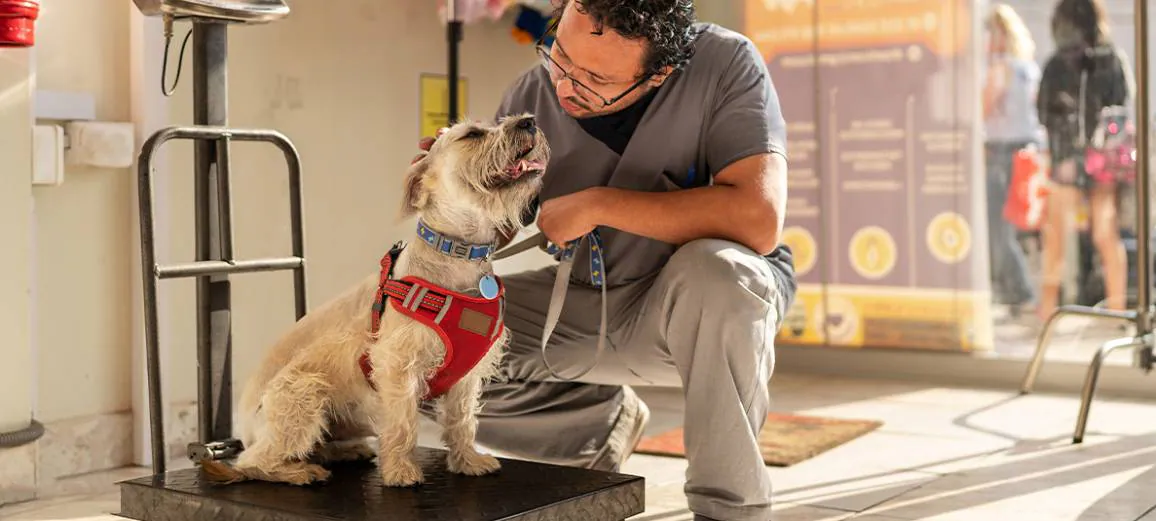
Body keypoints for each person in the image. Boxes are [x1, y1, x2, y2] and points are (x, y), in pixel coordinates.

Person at [415, 1, 795, 519]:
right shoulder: (534, 91)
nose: (566, 87)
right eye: (561, 56)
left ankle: (727, 510)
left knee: (721, 275)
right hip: (585, 301)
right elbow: (498, 227)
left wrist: (598, 204)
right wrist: (456, 189)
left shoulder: (725, 64)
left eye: (594, 79)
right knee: (419, 351)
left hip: (695, 308)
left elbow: (758, 219)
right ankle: (597, 426)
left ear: (659, 73)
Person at [1035, 0, 1134, 321]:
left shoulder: (1060, 63)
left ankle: (1048, 312)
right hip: (1100, 163)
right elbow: (1120, 111)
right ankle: (1116, 309)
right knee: (1099, 235)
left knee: (1060, 237)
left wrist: (1065, 155)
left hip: (1079, 163)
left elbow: (1045, 114)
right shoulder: (1111, 59)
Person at [982, 3, 1042, 321]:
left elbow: (982, 108)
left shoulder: (1000, 68)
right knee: (1012, 228)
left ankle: (1018, 293)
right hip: (1026, 152)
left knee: (998, 229)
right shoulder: (1027, 68)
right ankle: (1015, 294)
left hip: (1001, 153)